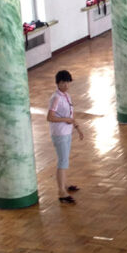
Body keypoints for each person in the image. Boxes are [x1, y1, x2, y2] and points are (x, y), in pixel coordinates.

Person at [46, 69, 84, 204]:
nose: (66, 85)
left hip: (67, 132)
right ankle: (61, 192)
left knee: (65, 160)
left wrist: (77, 128)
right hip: (60, 133)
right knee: (62, 161)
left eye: (68, 82)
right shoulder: (56, 98)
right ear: (58, 83)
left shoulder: (66, 96)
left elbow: (71, 115)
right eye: (63, 82)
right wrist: (65, 120)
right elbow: (50, 117)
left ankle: (65, 184)